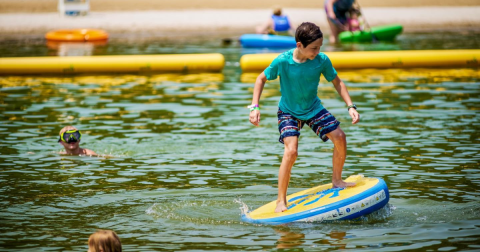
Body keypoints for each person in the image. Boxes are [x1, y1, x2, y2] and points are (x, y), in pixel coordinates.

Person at [248, 22, 360, 213]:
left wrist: (350, 106)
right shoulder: (283, 61)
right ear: (299, 45)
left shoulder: (321, 60)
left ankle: (337, 180)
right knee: (291, 152)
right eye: (313, 48)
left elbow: (337, 81)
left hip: (313, 108)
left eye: (319, 47)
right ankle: (280, 201)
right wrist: (255, 107)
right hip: (288, 111)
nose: (317, 52)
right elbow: (261, 79)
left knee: (340, 137)